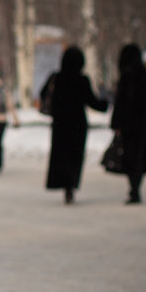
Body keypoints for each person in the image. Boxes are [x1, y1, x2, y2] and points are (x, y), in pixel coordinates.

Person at [42, 45, 108, 204]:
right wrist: (105, 104)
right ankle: (71, 185)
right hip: (78, 125)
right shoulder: (82, 80)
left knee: (61, 155)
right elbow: (92, 102)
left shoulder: (56, 78)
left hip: (60, 124)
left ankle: (64, 184)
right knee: (74, 156)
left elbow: (43, 94)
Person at [110, 43, 146, 204]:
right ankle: (136, 189)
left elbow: (121, 103)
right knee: (140, 157)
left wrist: (117, 124)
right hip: (144, 125)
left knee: (131, 158)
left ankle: (134, 189)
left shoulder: (127, 76)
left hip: (129, 125)